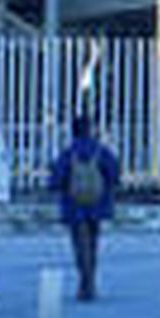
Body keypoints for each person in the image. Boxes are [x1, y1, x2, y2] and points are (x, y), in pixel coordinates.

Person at [48, 116, 120, 301]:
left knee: (80, 245)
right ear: (91, 129)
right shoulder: (101, 151)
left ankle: (84, 281)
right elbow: (114, 174)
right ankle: (90, 280)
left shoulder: (68, 152)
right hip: (97, 204)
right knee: (93, 244)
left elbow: (56, 180)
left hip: (74, 206)